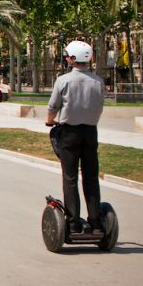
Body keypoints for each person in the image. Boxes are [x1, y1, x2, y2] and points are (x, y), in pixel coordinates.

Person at [46, 40, 105, 235]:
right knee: (90, 177)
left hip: (69, 133)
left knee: (70, 177)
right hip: (90, 132)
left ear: (72, 59)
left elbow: (53, 106)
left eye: (67, 56)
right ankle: (96, 222)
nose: (66, 58)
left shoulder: (63, 81)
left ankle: (72, 222)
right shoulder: (98, 81)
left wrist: (50, 121)